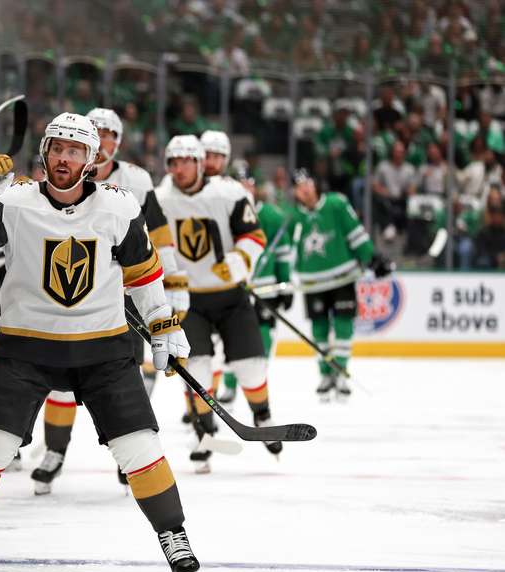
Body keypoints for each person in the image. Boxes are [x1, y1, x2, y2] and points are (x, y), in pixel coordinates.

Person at [0, 113, 200, 572]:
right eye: (57, 148)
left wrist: (163, 324)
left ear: (92, 160)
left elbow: (142, 275)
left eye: (75, 151)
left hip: (104, 351)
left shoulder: (120, 207)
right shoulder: (14, 202)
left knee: (140, 448)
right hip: (26, 349)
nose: (64, 158)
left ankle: (173, 535)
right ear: (45, 152)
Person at [30, 107, 188, 495]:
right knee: (61, 381)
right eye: (98, 131)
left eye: (110, 134)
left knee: (123, 375)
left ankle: (128, 457)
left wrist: (173, 285)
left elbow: (159, 233)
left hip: (127, 290)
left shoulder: (136, 179)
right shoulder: (61, 176)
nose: (105, 139)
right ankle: (54, 452)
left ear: (115, 141)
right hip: (76, 289)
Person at [154, 131, 279, 473]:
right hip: (186, 298)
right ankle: (204, 434)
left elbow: (254, 235)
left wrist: (238, 261)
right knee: (197, 370)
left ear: (199, 164)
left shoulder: (229, 193)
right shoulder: (159, 198)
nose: (179, 169)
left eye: (185, 161)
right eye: (173, 162)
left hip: (231, 295)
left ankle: (262, 416)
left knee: (251, 364)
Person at [290, 170, 393, 402]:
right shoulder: (293, 217)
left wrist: (370, 257)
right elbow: (288, 252)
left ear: (315, 184)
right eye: (299, 186)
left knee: (344, 325)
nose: (305, 189)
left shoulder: (336, 204)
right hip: (312, 282)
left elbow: (355, 233)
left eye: (307, 183)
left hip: (343, 278)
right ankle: (325, 375)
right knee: (319, 330)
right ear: (295, 192)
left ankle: (341, 372)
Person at [219, 162, 293, 407]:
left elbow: (282, 253)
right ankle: (229, 385)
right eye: (239, 183)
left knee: (262, 339)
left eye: (247, 182)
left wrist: (286, 282)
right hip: (234, 286)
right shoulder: (223, 211)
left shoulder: (271, 215)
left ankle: (255, 386)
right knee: (231, 338)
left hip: (264, 287)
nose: (244, 187)